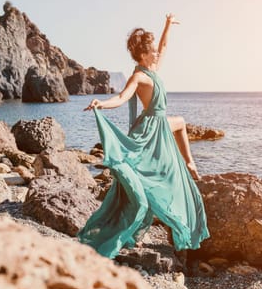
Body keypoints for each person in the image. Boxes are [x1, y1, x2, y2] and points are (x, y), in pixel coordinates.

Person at [77, 14, 210, 260]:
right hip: (149, 130)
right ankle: (116, 231)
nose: (157, 53)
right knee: (147, 185)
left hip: (160, 123)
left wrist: (167, 25)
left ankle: (189, 162)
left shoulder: (154, 69)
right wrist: (101, 104)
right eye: (152, 51)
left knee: (179, 123)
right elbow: (122, 98)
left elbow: (165, 46)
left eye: (156, 51)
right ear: (143, 55)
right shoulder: (138, 76)